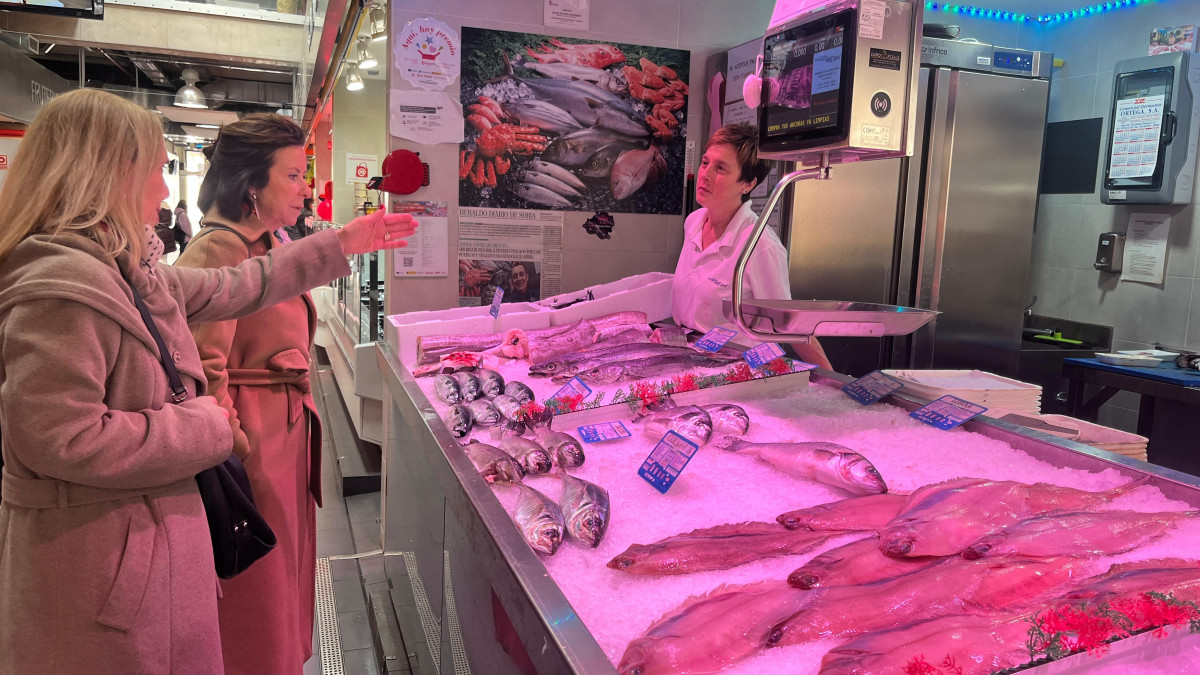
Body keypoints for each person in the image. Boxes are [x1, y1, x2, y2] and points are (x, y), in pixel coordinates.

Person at [0, 89, 417, 673]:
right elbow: (56, 437)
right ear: (105, 174)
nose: (166, 192)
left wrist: (343, 244)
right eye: (153, 171)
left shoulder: (125, 269)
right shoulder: (59, 289)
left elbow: (233, 289)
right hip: (104, 568)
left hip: (140, 550)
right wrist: (207, 427)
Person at [172, 113, 352, 674]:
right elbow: (201, 370)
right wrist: (239, 447)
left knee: (281, 582)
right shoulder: (218, 251)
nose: (306, 188)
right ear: (252, 183)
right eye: (295, 175)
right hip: (258, 446)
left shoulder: (265, 243)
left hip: (282, 433)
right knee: (258, 596)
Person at [671, 123, 831, 368]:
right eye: (705, 163)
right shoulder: (694, 222)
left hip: (734, 367)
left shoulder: (761, 245)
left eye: (721, 168)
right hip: (687, 354)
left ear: (747, 183)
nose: (706, 175)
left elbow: (787, 324)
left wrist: (832, 380)